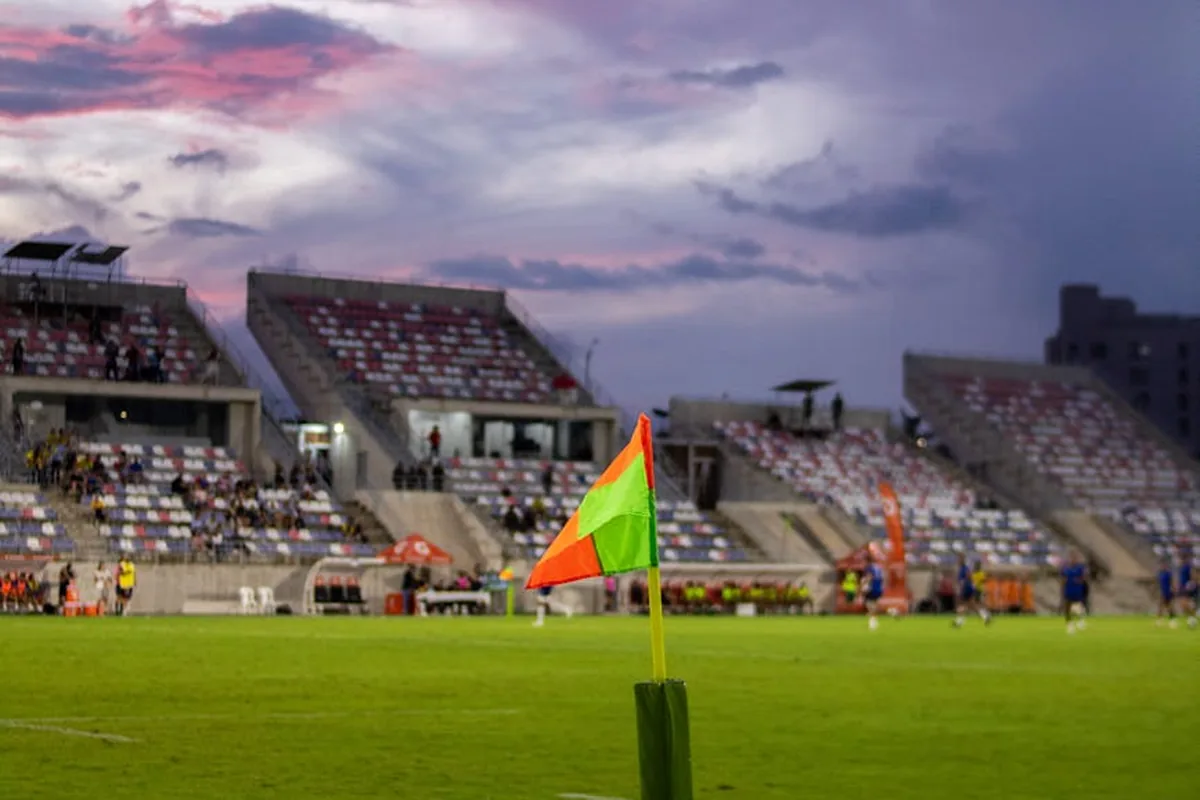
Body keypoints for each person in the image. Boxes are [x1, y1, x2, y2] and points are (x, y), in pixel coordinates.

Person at [952, 554, 991, 628]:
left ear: (962, 560)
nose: (958, 561)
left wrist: (964, 584)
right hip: (968, 588)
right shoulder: (963, 568)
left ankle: (959, 622)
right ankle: (985, 617)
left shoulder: (964, 568)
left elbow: (968, 577)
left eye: (959, 559)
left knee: (962, 604)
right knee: (972, 605)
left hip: (967, 588)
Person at [1061, 552, 1088, 634]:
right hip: (1068, 590)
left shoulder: (1080, 568)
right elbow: (1062, 578)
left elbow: (1084, 577)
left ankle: (1081, 620)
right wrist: (1063, 583)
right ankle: (1070, 626)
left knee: (1079, 607)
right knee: (1067, 608)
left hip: (1077, 590)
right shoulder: (1066, 568)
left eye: (1074, 558)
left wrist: (1079, 580)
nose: (1072, 560)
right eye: (1071, 558)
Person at [863, 554, 885, 631]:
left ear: (867, 560)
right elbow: (882, 578)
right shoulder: (879, 568)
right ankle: (874, 622)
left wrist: (864, 583)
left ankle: (872, 623)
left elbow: (869, 577)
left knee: (869, 605)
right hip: (879, 588)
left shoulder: (869, 567)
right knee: (874, 605)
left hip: (872, 588)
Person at [1177, 557, 1197, 629]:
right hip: (1182, 587)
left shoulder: (1188, 567)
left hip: (1186, 587)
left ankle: (1192, 619)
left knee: (1185, 603)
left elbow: (1193, 575)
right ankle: (1191, 618)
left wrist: (1191, 583)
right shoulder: (1181, 568)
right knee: (1183, 605)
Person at [1155, 560, 1175, 628]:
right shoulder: (1160, 573)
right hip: (1162, 591)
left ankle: (1170, 620)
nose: (1162, 566)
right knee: (1162, 606)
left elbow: (1172, 582)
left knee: (1167, 606)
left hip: (1168, 592)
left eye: (1163, 565)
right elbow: (1159, 583)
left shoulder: (1168, 573)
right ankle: (1163, 620)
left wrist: (1173, 590)